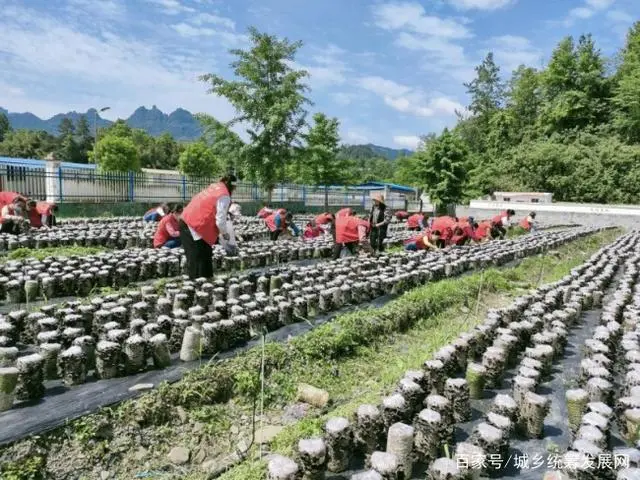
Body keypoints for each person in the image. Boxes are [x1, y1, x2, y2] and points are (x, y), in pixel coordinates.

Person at [179, 175, 238, 280]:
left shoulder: (214, 187)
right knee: (199, 259)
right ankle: (199, 285)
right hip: (196, 225)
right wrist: (225, 234)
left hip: (186, 219)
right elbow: (220, 221)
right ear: (232, 187)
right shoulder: (224, 195)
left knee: (202, 255)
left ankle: (203, 281)